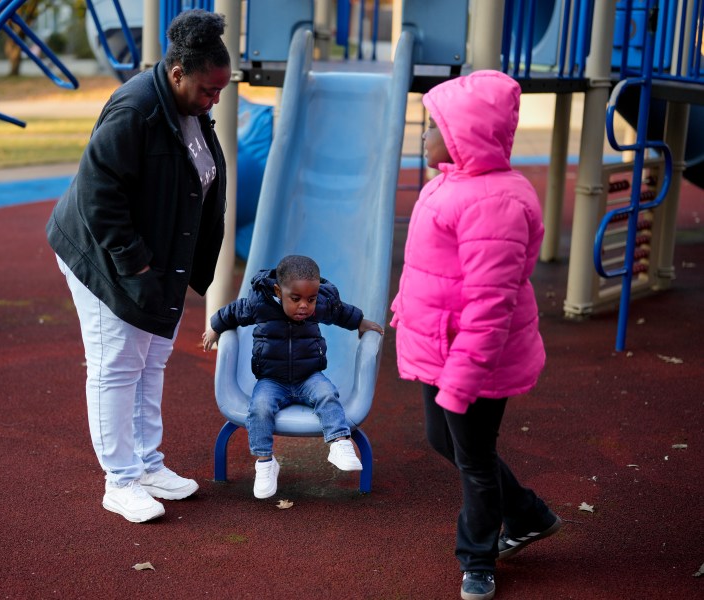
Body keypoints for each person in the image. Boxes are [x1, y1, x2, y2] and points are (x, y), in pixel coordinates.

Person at [45, 9, 231, 524]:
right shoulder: (136, 110)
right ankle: (120, 480)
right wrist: (138, 268)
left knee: (151, 360)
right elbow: (98, 196)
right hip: (104, 255)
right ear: (177, 74)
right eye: (208, 90)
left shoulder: (186, 106)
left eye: (220, 91)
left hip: (152, 258)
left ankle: (148, 464)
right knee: (117, 364)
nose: (214, 100)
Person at [389, 71, 561, 600]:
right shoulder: (452, 182)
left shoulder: (496, 202)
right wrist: (404, 307)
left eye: (434, 124)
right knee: (446, 441)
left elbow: (491, 306)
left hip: (475, 357)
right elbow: (428, 268)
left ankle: (479, 559)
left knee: (475, 459)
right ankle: (530, 514)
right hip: (441, 346)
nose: (423, 134)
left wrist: (462, 381)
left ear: (467, 132)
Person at [203, 255, 384, 499]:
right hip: (271, 380)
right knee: (259, 408)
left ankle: (339, 442)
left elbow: (340, 313)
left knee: (327, 394)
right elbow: (233, 312)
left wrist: (361, 322)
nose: (304, 306)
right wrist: (215, 327)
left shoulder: (319, 305)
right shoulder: (261, 304)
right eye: (296, 299)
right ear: (278, 290)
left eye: (311, 299)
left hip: (309, 377)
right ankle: (265, 462)